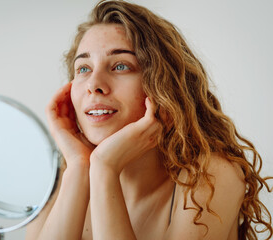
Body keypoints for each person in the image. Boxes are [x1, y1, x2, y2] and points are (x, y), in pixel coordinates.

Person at [26, 1, 272, 239]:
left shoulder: (210, 177)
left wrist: (105, 169)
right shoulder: (65, 178)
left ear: (162, 86)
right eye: (83, 68)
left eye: (121, 66)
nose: (94, 85)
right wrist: (81, 165)